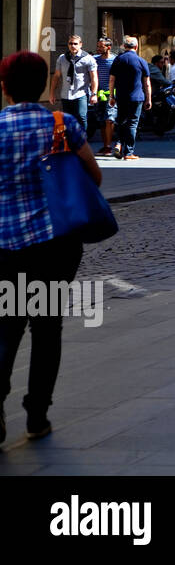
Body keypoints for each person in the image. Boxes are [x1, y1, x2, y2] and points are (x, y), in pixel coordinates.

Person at [0, 51, 103, 443]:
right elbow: (93, 176)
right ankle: (36, 415)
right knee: (46, 327)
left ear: (5, 87)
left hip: (5, 247)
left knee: (6, 327)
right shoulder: (63, 124)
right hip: (55, 246)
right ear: (46, 84)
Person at [107, 36, 151, 160]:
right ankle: (128, 152)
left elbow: (111, 80)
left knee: (121, 121)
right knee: (132, 124)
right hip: (137, 97)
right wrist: (149, 99)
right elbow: (147, 82)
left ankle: (119, 144)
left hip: (121, 96)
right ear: (136, 47)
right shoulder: (141, 61)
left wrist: (111, 96)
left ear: (124, 46)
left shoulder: (118, 60)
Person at [49, 35, 97, 133]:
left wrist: (94, 94)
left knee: (81, 116)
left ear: (80, 45)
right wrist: (51, 93)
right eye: (70, 43)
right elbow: (56, 76)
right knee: (67, 119)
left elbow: (94, 77)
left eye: (75, 44)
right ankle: (70, 142)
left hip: (81, 93)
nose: (73, 46)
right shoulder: (62, 58)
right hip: (66, 94)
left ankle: (83, 141)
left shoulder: (88, 58)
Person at [90, 38, 116, 154]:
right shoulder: (94, 60)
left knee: (109, 119)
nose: (99, 49)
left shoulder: (115, 60)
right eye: (98, 46)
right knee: (101, 120)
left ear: (108, 47)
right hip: (99, 94)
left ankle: (109, 146)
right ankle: (105, 145)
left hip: (112, 94)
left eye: (101, 47)